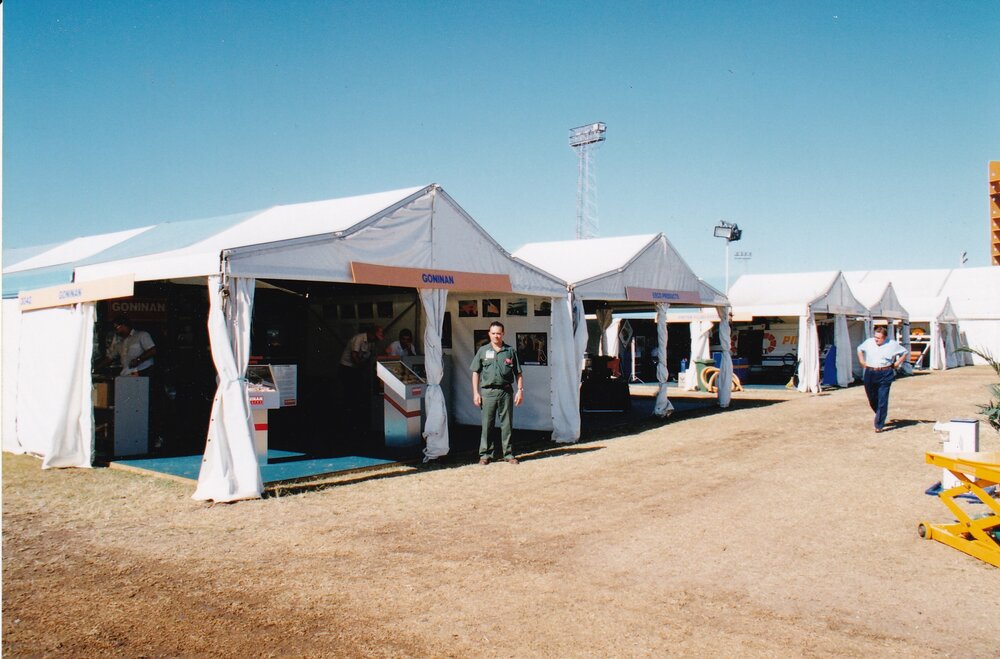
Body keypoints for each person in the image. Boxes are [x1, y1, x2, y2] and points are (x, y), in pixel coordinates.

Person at [470, 321, 524, 464]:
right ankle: (485, 455)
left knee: (506, 424)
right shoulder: (482, 351)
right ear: (489, 334)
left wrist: (520, 391)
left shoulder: (510, 351)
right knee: (487, 424)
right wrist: (475, 392)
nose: (496, 336)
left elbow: (518, 372)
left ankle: (508, 454)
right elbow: (476, 372)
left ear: (503, 334)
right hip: (488, 392)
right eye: (493, 333)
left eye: (498, 333)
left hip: (505, 391)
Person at [856, 326, 908, 433]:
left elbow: (904, 352)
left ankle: (879, 424)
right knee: (872, 398)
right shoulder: (869, 342)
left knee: (883, 398)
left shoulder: (892, 344)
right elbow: (859, 349)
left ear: (884, 338)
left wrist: (898, 363)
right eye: (875, 337)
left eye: (879, 338)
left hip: (885, 372)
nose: (876, 340)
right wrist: (861, 361)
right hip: (870, 372)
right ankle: (880, 413)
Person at [338, 325, 385, 433]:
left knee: (358, 391)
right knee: (348, 392)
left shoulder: (372, 343)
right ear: (373, 333)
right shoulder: (359, 339)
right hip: (347, 367)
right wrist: (362, 369)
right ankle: (347, 417)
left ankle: (356, 415)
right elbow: (354, 355)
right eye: (379, 334)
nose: (381, 337)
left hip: (358, 368)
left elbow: (373, 356)